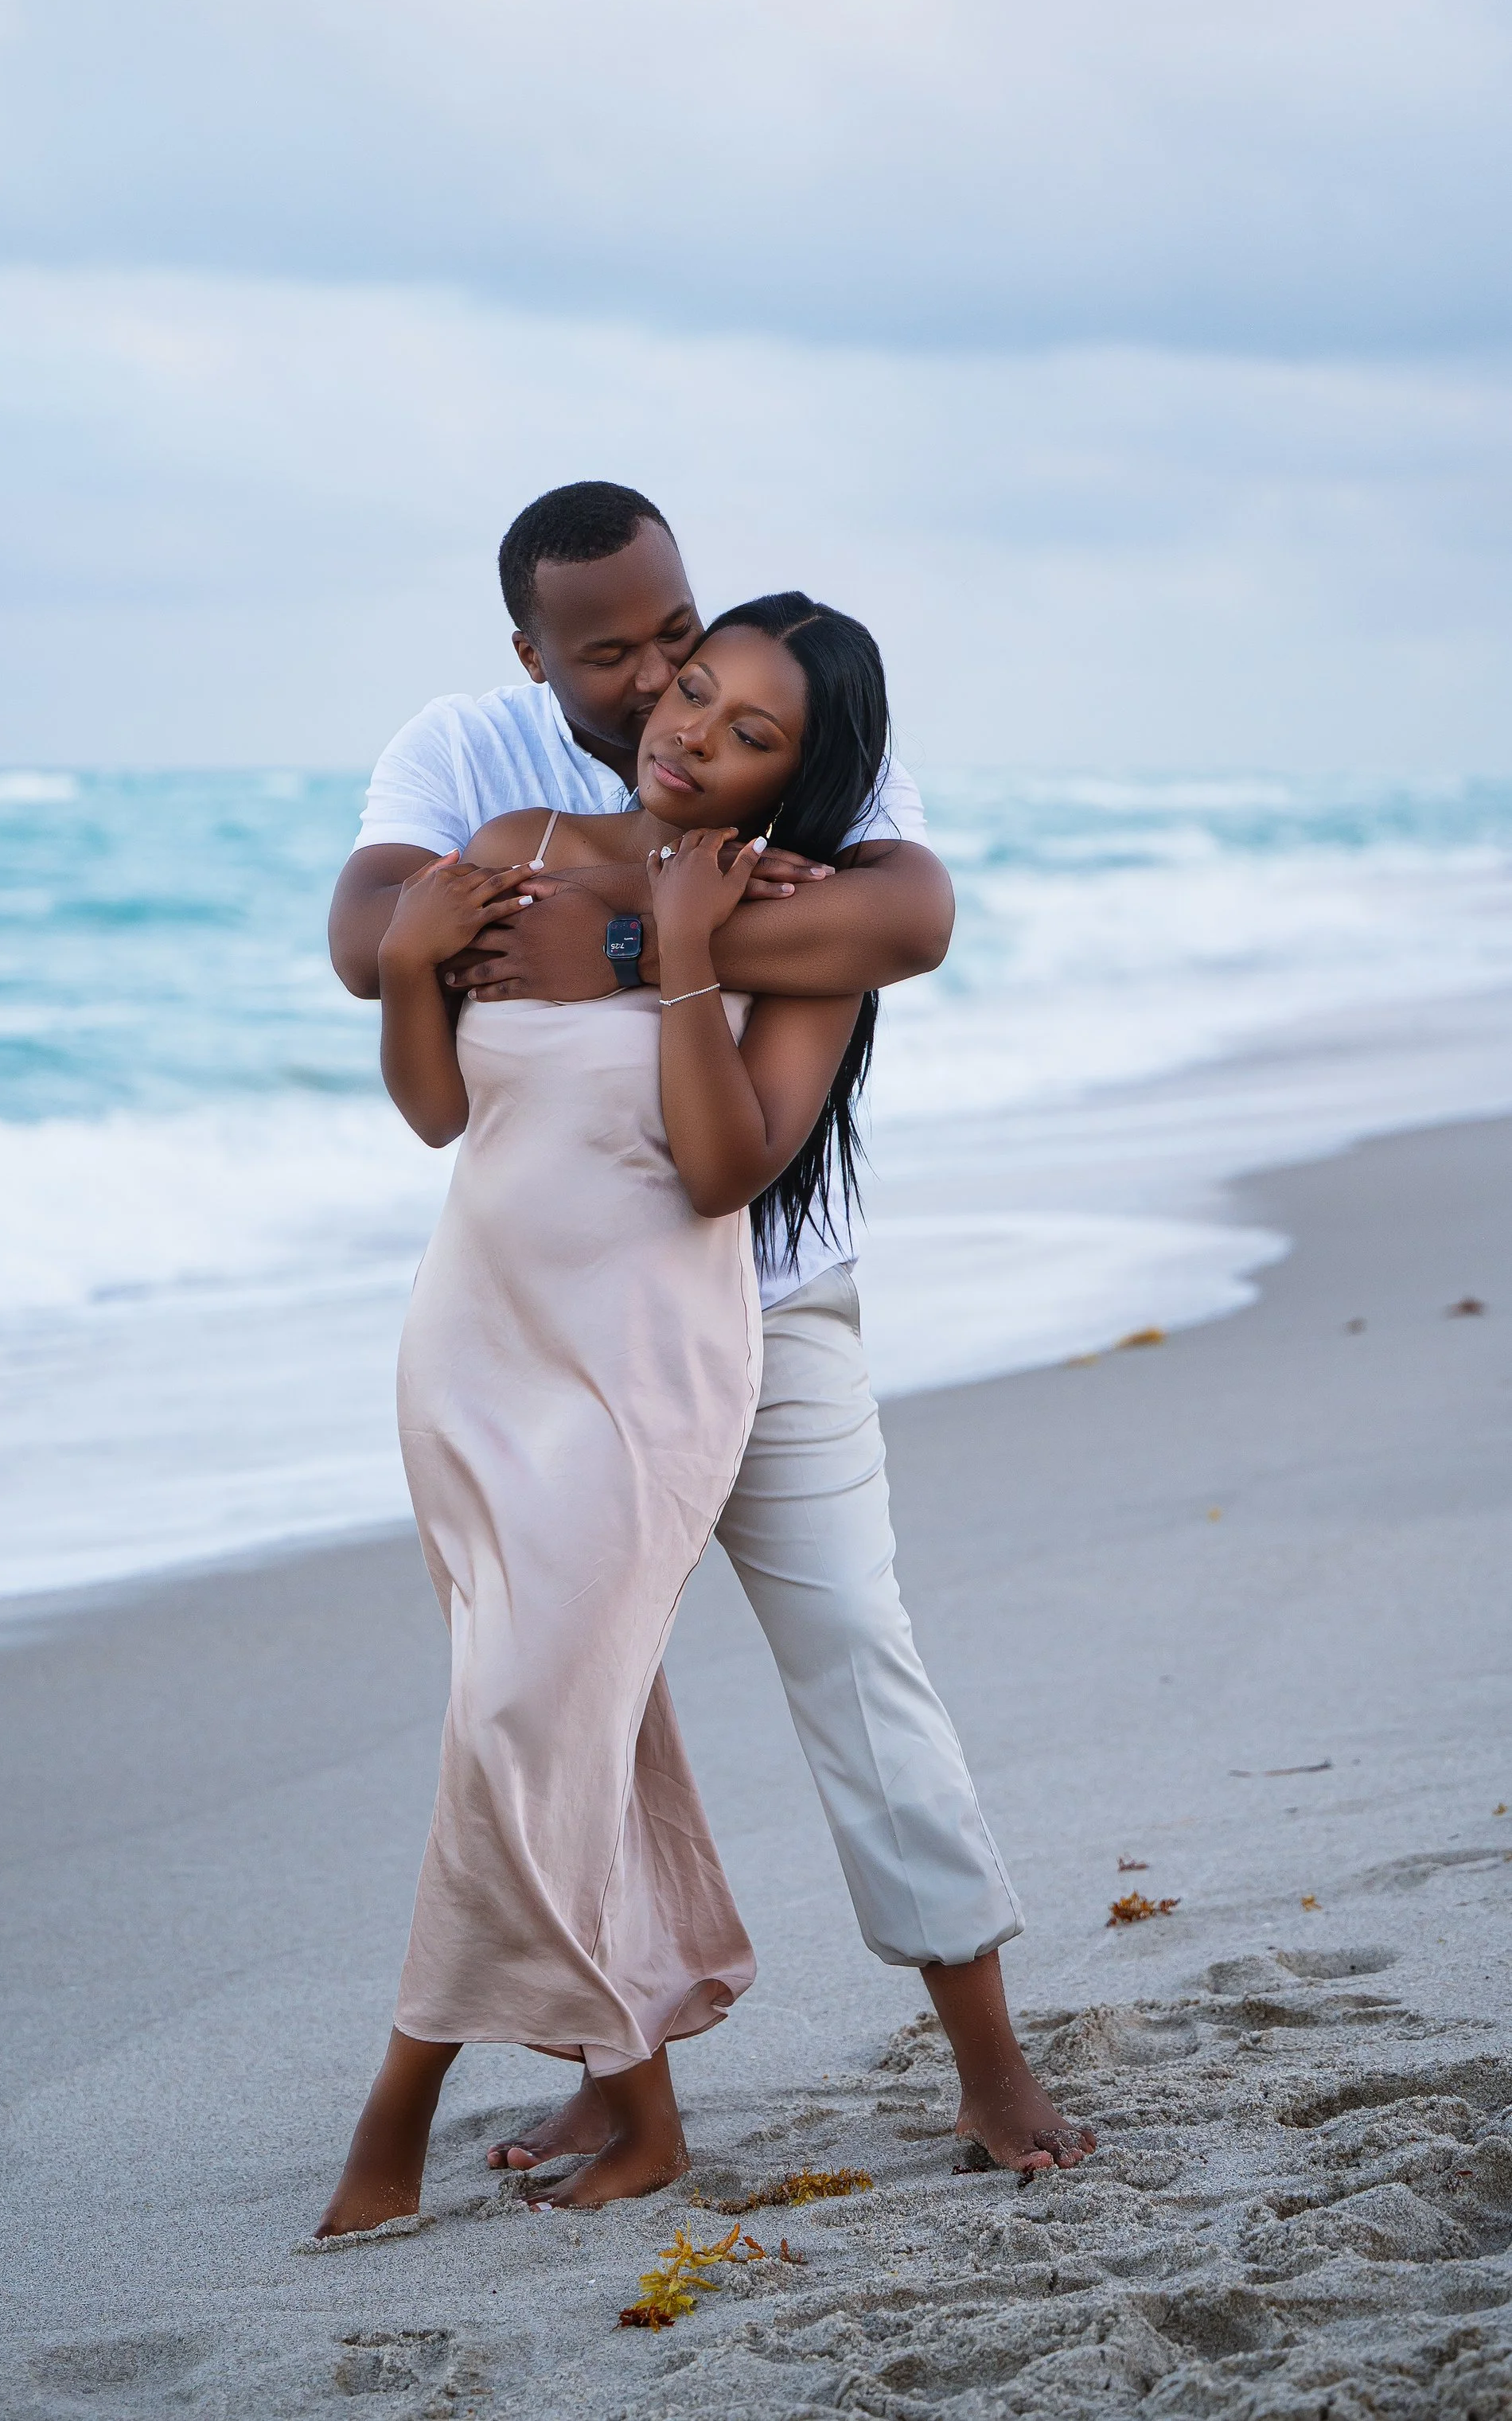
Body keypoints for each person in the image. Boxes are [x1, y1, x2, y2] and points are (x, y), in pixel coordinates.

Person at [330, 484, 1093, 2182]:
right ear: (532, 657)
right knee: (561, 1709)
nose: (662, 682)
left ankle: (986, 2061)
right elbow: (363, 939)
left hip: (766, 1301)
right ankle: (613, 2073)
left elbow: (892, 922)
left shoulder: (792, 719)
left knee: (850, 1652)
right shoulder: (473, 763)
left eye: (675, 634)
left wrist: (625, 942)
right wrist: (477, 937)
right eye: (620, 659)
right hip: (544, 1336)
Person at [319, 595, 907, 2236]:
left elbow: (727, 1171)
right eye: (694, 690)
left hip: (646, 1368)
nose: (690, 731)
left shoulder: (786, 911)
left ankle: (398, 2102)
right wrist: (410, 972)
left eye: (750, 734)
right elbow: (443, 1114)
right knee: (572, 1725)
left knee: (515, 1721)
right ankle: (640, 2106)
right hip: (470, 1350)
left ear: (804, 773)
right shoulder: (508, 842)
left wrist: (684, 958)